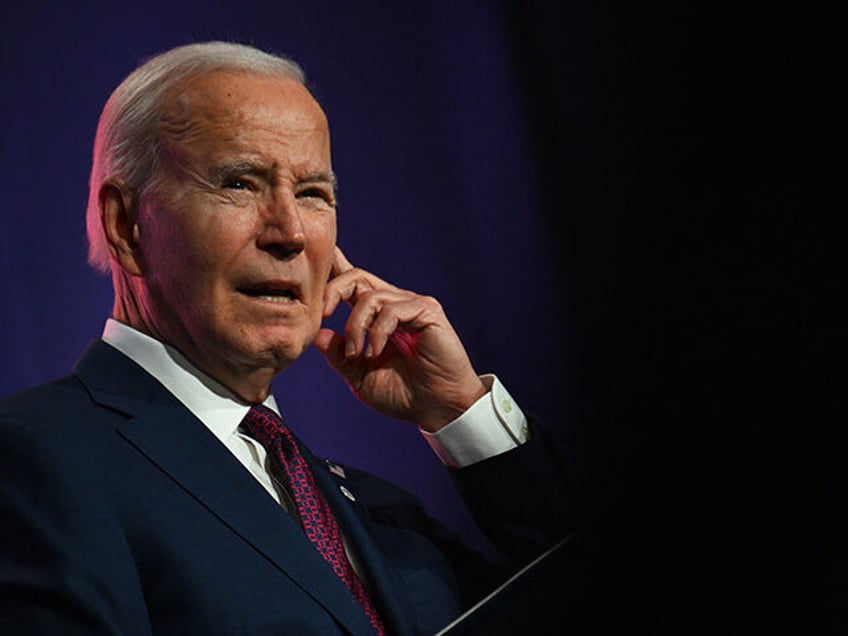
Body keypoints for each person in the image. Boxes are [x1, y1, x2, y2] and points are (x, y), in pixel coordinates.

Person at [0, 41, 573, 635]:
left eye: (312, 193)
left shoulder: (381, 514)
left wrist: (461, 413)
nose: (291, 233)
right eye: (241, 184)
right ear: (126, 226)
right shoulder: (36, 459)